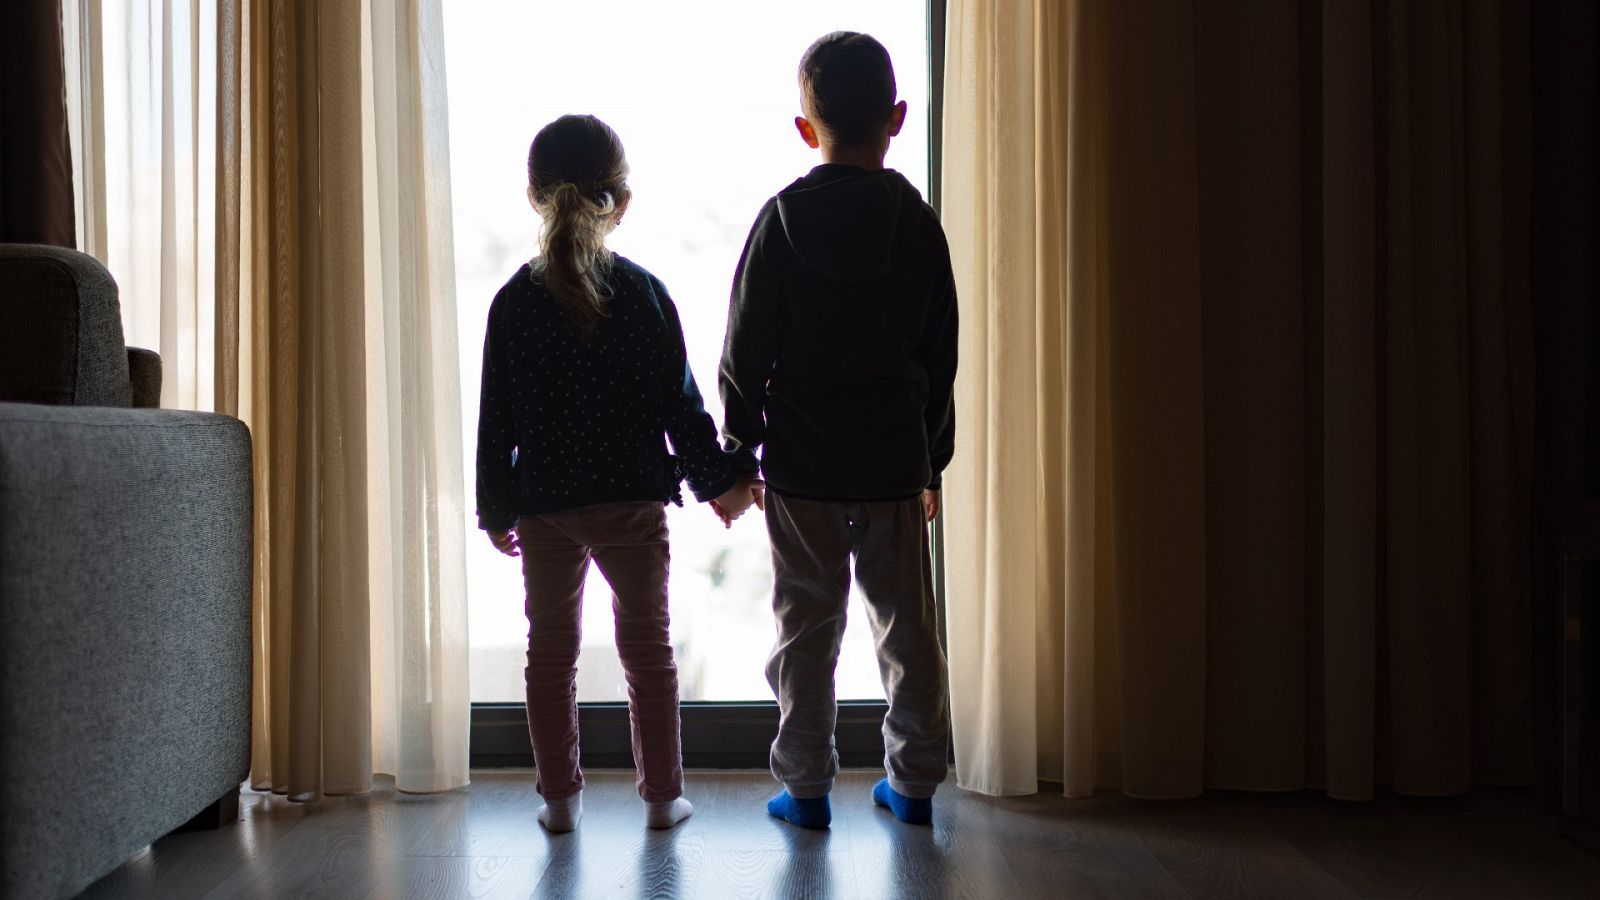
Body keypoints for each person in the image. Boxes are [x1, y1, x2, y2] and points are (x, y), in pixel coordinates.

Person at [476, 114, 763, 833]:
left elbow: (495, 422)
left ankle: (560, 802)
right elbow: (684, 410)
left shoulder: (513, 302)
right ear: (622, 201)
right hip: (632, 504)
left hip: (545, 506)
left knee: (551, 655)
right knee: (648, 652)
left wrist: (496, 509)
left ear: (535, 196)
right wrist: (722, 483)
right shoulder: (645, 295)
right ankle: (663, 799)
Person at [719, 32, 959, 829]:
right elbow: (939, 352)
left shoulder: (781, 221)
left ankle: (807, 789)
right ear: (896, 118)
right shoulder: (917, 223)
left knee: (805, 631)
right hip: (893, 460)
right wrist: (933, 462)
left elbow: (743, 350)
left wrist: (738, 449)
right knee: (907, 632)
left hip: (802, 468)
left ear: (804, 127)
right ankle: (915, 783)